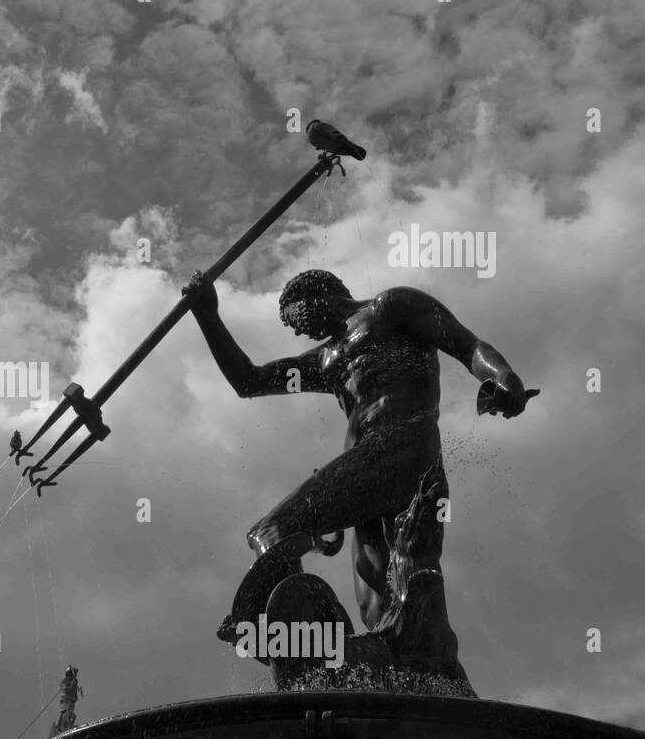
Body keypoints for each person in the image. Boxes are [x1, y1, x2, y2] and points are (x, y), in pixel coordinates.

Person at [185, 269, 535, 677]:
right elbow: (250, 381)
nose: (295, 331)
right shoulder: (325, 359)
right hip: (370, 479)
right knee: (380, 606)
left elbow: (467, 344)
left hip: (400, 450)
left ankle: (306, 635)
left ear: (314, 295)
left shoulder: (392, 308)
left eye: (293, 318)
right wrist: (207, 316)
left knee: (271, 531)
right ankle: (412, 673)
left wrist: (502, 376)